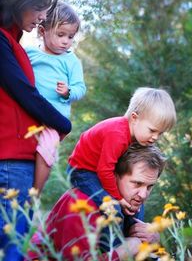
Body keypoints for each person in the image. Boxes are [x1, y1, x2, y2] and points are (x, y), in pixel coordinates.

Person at [0, 0, 72, 260]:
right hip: (10, 162)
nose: (43, 15)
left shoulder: (11, 41)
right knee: (13, 250)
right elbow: (24, 93)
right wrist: (63, 123)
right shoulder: (2, 40)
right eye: (40, 7)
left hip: (15, 162)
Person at [27, 143, 165, 261]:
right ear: (114, 175)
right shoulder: (81, 203)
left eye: (149, 186)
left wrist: (153, 239)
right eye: (137, 183)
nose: (143, 194)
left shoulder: (132, 202)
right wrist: (123, 251)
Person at [68, 87, 176, 215]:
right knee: (113, 209)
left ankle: (135, 229)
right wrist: (118, 198)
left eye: (160, 133)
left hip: (100, 169)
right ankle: (112, 235)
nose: (155, 137)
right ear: (134, 118)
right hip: (82, 171)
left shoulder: (136, 136)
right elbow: (104, 170)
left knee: (135, 206)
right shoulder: (117, 135)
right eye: (152, 130)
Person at [25, 1, 86, 193]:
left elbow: (80, 88)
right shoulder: (30, 54)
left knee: (46, 151)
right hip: (30, 113)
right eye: (61, 35)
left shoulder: (71, 60)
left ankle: (36, 191)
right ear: (42, 31)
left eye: (70, 36)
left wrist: (68, 92)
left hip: (54, 119)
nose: (66, 41)